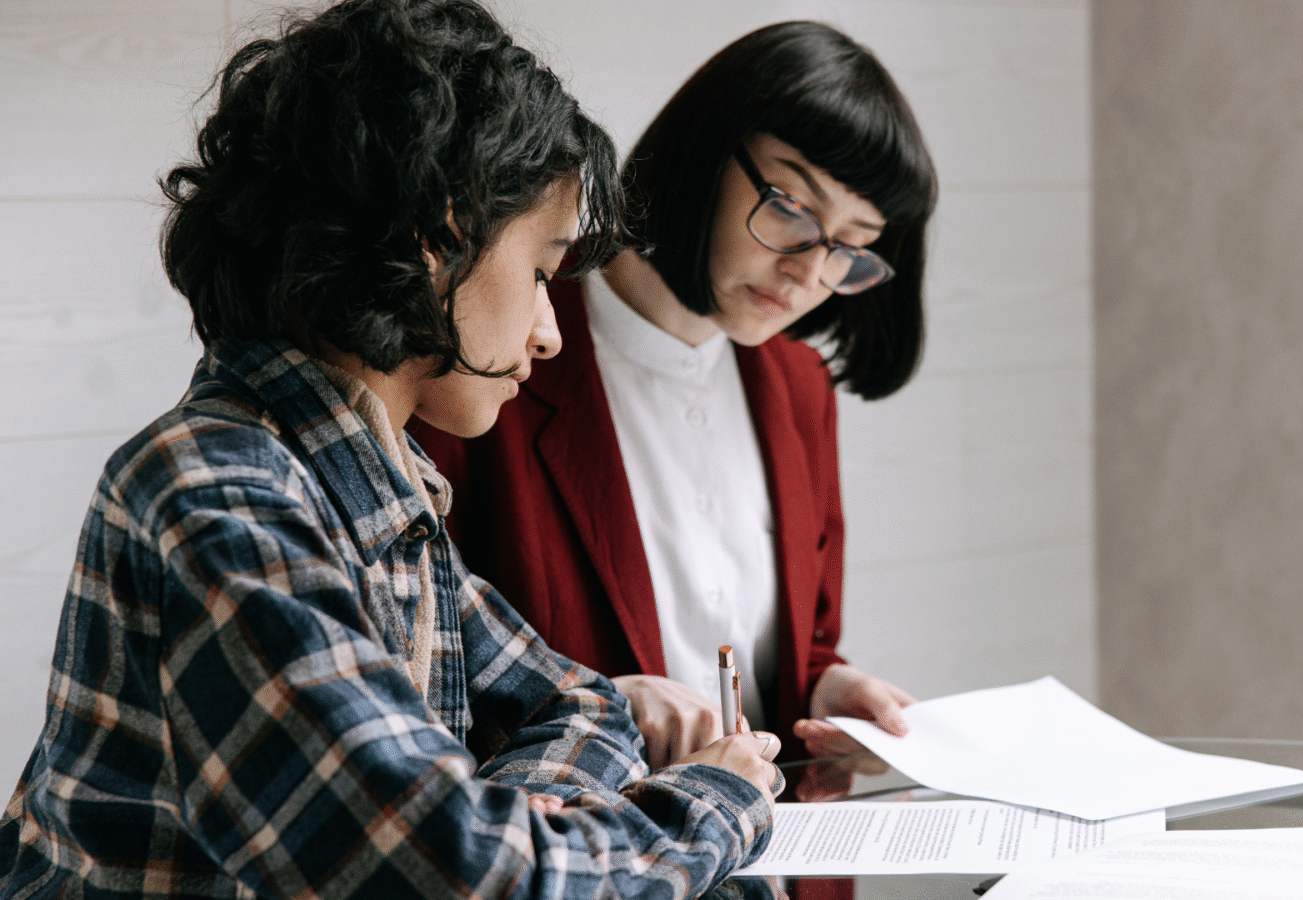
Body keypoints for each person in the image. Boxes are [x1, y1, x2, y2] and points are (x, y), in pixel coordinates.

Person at [0, 1, 781, 897]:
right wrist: (717, 799)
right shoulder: (218, 495)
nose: (549, 331)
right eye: (539, 272)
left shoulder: (382, 489)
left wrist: (517, 820)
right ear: (438, 240)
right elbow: (447, 877)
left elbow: (583, 702)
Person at [411, 21, 938, 770]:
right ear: (703, 151)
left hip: (777, 855)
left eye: (851, 246)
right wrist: (604, 704)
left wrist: (826, 687)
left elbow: (800, 644)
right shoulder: (498, 349)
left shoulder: (799, 387)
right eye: (792, 207)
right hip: (597, 861)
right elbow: (421, 668)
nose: (808, 274)